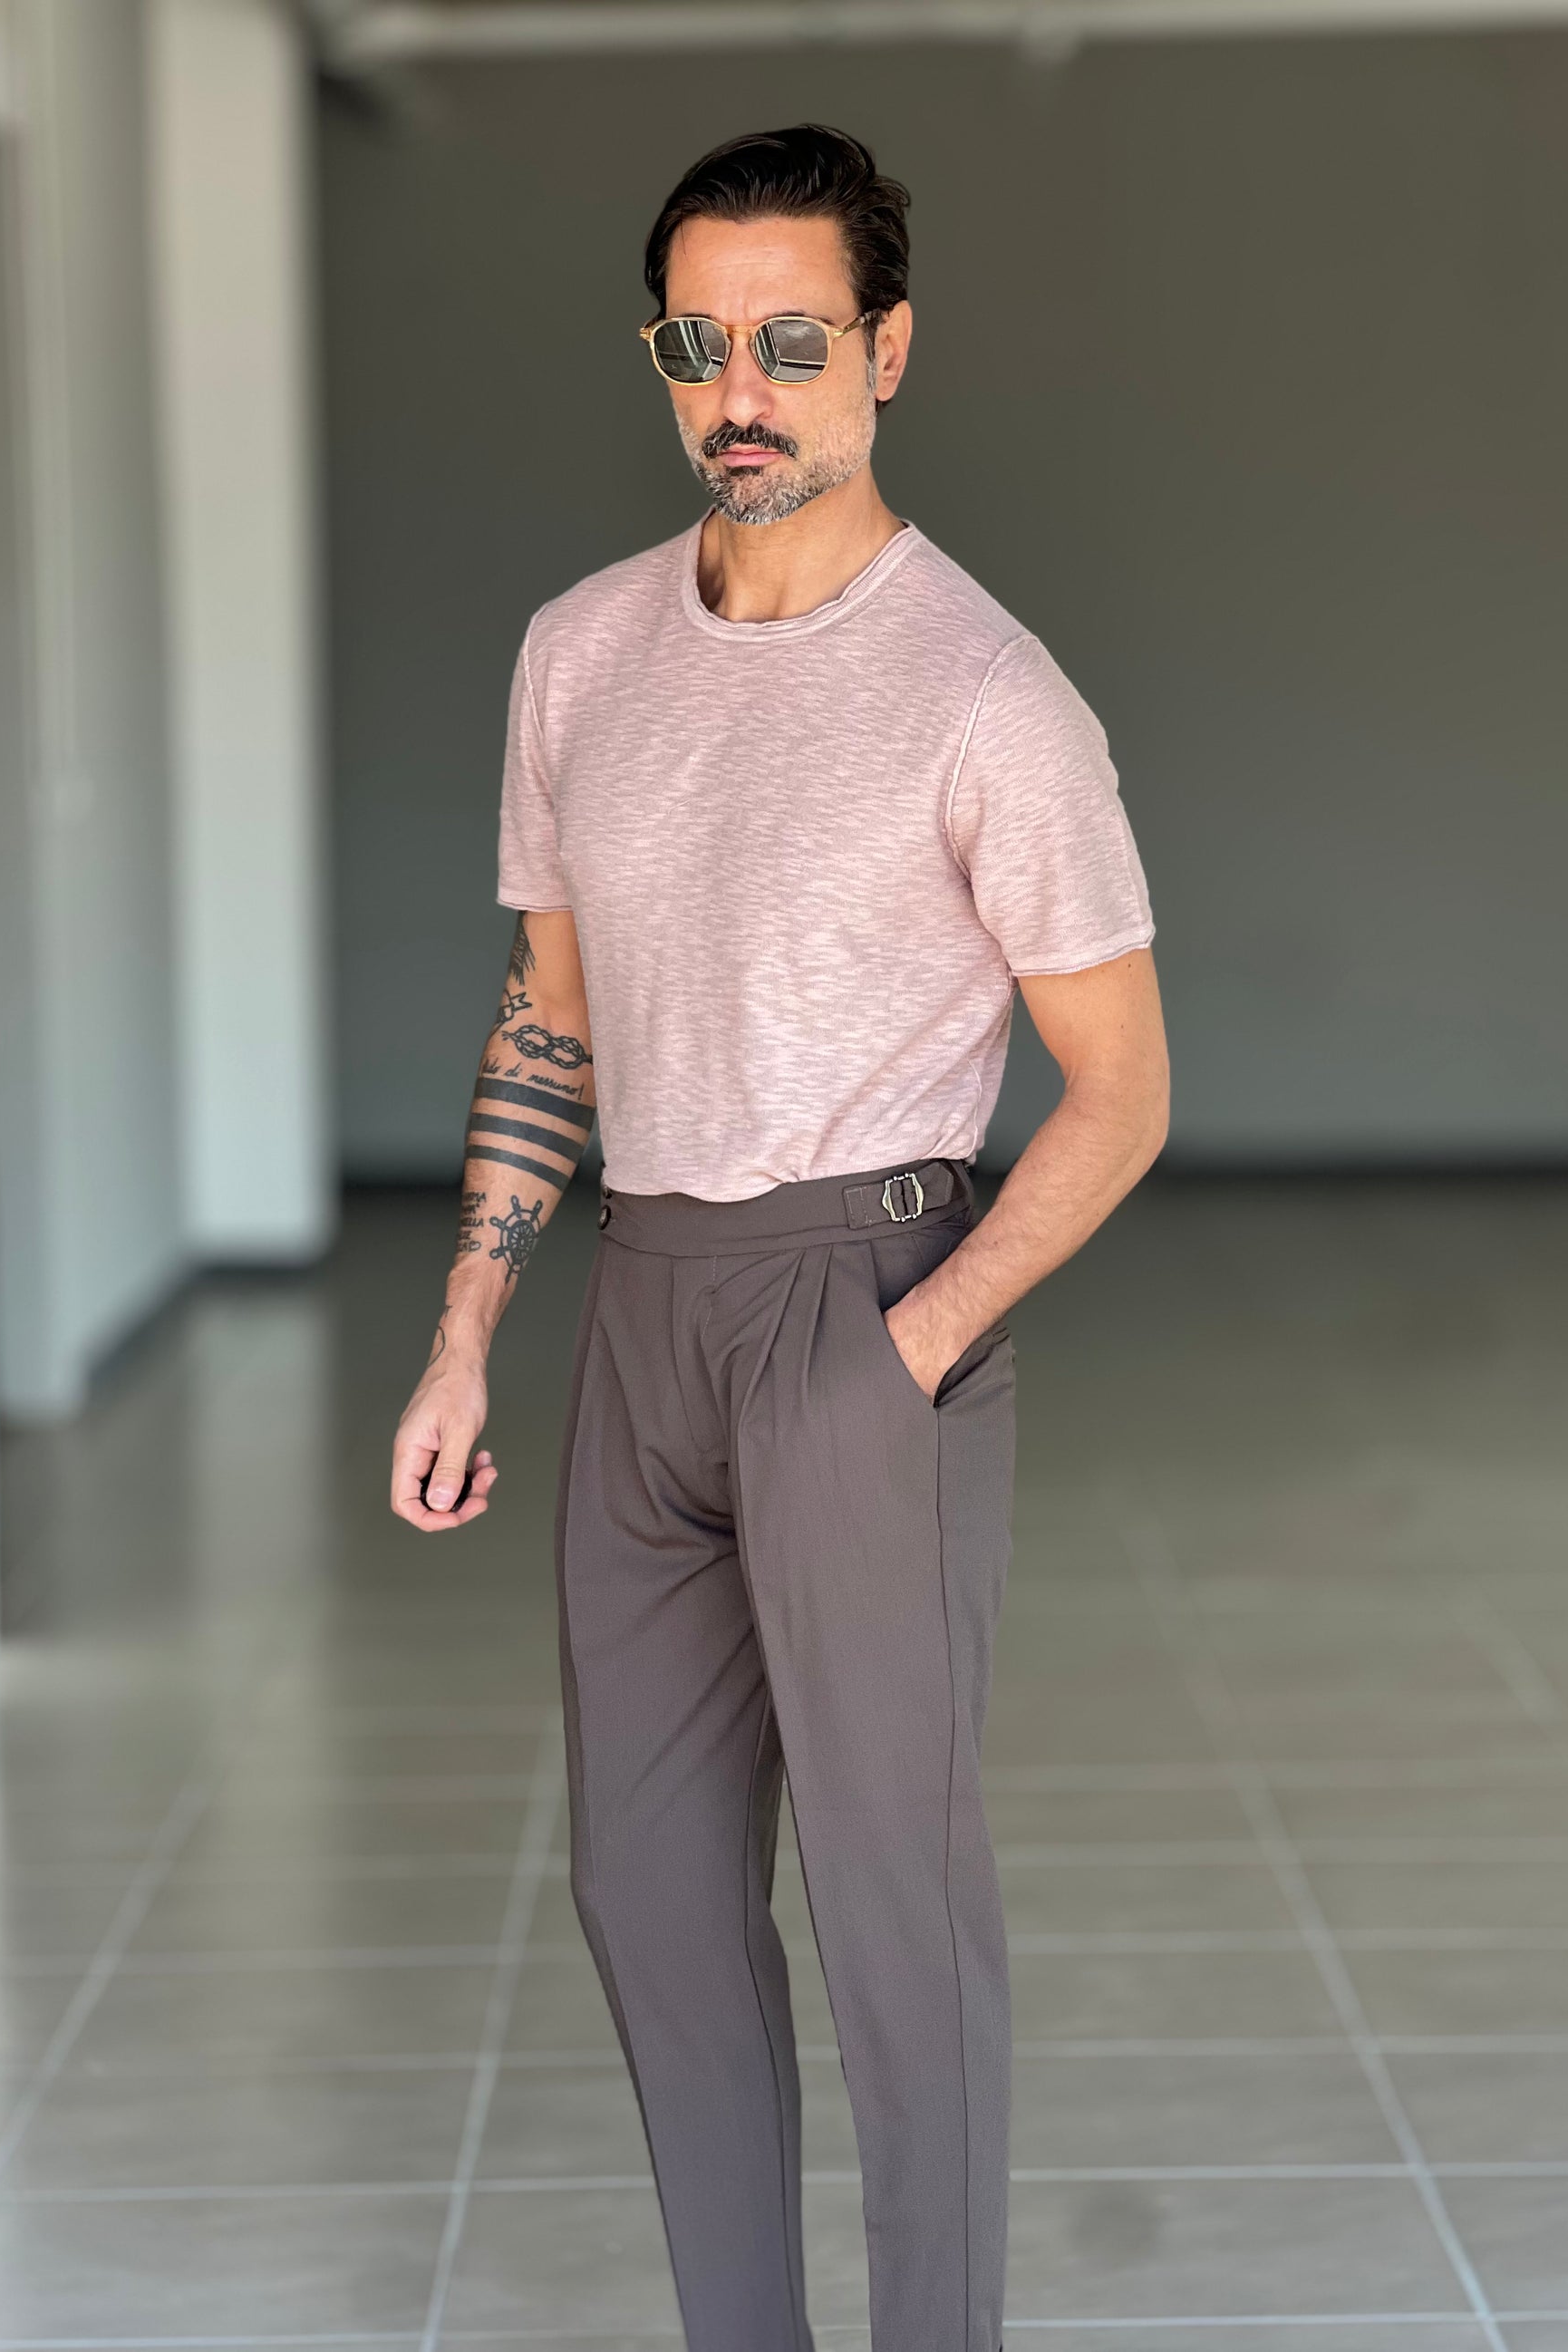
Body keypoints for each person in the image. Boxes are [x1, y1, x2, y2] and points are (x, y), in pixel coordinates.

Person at [390, 121, 1169, 2352]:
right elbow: (550, 1017)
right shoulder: (578, 654)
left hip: (864, 1291)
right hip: (640, 1301)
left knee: (890, 1912)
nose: (741, 391)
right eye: (697, 344)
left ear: (886, 351)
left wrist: (907, 1348)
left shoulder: (987, 695)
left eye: (793, 341)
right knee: (644, 1889)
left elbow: (1122, 1090)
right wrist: (469, 1322)